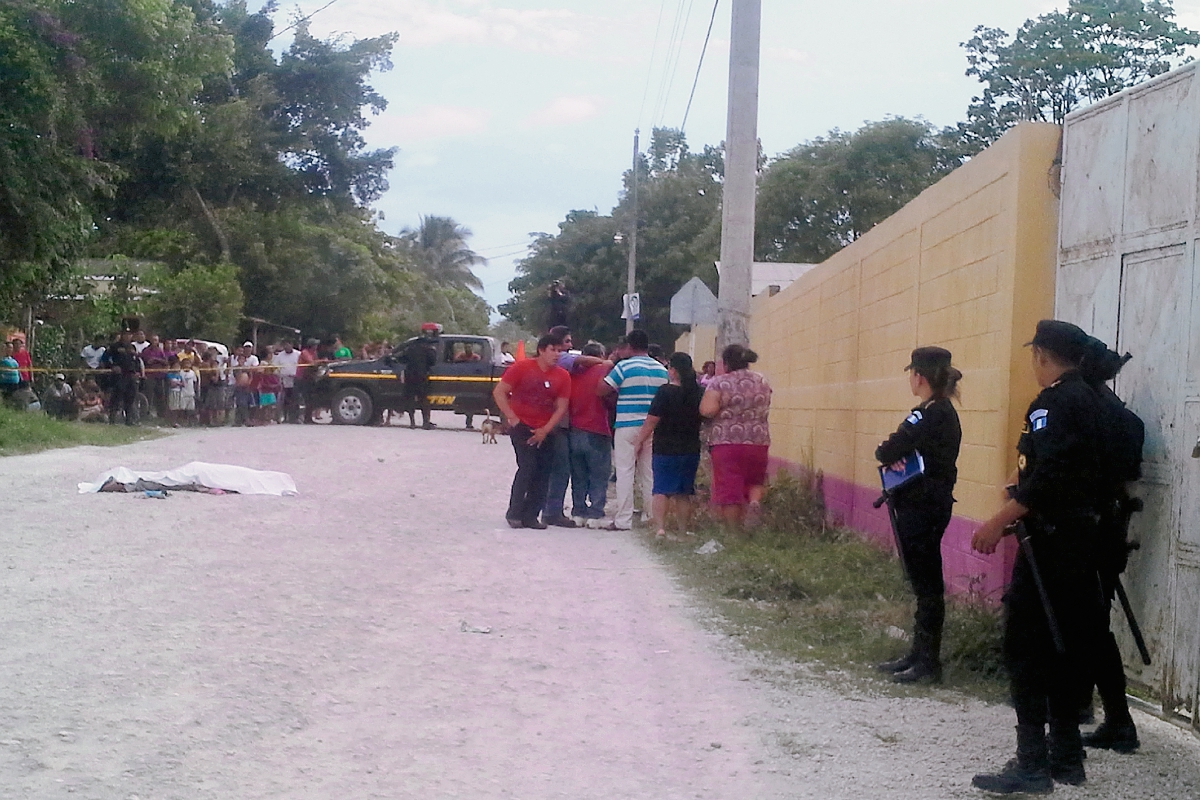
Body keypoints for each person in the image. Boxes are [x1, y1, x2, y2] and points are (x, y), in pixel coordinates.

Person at [970, 320, 1108, 794]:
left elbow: (1046, 477)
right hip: (1083, 538)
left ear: (1043, 357)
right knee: (1064, 642)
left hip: (1049, 541)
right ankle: (1067, 756)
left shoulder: (1052, 402)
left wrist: (999, 518)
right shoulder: (1096, 400)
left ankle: (1031, 764)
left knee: (1026, 646)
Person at [874, 347, 963, 684]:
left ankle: (927, 661)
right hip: (930, 503)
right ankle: (918, 655)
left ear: (920, 377)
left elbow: (886, 450)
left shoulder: (927, 414)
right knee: (924, 583)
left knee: (926, 585)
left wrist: (895, 455)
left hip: (921, 505)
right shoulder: (942, 411)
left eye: (912, 373)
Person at [493, 333, 571, 529]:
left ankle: (531, 515)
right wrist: (512, 417)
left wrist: (546, 429)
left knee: (544, 472)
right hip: (522, 426)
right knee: (527, 467)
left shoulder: (562, 376)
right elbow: (499, 392)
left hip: (546, 429)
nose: (556, 354)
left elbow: (561, 406)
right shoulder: (521, 368)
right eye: (553, 350)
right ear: (541, 350)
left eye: (559, 351)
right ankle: (515, 513)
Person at [598, 329, 668, 531]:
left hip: (627, 425)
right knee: (649, 473)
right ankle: (651, 516)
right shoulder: (661, 369)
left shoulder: (624, 367)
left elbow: (601, 390)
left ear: (629, 346)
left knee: (625, 472)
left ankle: (623, 520)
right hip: (653, 427)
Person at [700, 344, 773, 529]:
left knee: (730, 488)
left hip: (727, 442)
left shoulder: (719, 382)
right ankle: (754, 503)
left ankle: (734, 532)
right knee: (755, 479)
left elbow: (708, 410)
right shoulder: (762, 381)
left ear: (726, 363)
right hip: (758, 440)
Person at [636, 352, 704, 540]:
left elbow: (651, 421)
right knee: (684, 492)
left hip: (665, 447)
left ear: (673, 370)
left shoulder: (665, 391)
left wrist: (639, 441)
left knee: (661, 489)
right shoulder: (699, 392)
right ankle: (682, 531)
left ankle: (660, 529)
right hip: (690, 448)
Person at [568, 342, 614, 527]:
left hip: (575, 429)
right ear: (600, 355)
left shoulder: (573, 374)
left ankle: (578, 511)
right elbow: (611, 399)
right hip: (597, 429)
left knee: (578, 474)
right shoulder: (604, 373)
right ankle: (595, 512)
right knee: (599, 474)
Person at [402, 324, 439, 429]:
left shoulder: (411, 348)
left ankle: (412, 422)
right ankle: (425, 422)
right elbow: (433, 362)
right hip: (422, 376)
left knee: (410, 399)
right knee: (424, 400)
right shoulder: (428, 349)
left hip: (410, 376)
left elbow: (403, 358)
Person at [107, 332, 142, 426]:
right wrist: (113, 366)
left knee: (130, 398)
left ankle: (129, 420)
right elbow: (107, 358)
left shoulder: (132, 347)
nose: (127, 336)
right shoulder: (114, 347)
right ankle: (112, 419)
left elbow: (136, 360)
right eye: (125, 334)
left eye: (129, 334)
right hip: (120, 375)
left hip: (131, 375)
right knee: (116, 397)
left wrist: (137, 371)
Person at [274, 340, 301, 423]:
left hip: (295, 380)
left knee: (295, 400)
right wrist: (279, 377)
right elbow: (275, 368)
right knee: (285, 400)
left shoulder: (298, 354)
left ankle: (295, 418)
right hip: (284, 381)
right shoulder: (280, 356)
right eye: (285, 345)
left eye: (288, 345)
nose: (287, 347)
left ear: (292, 344)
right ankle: (285, 417)